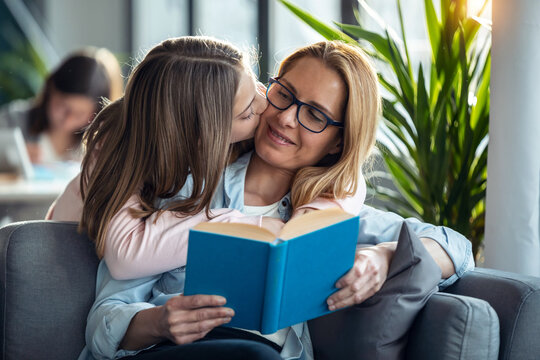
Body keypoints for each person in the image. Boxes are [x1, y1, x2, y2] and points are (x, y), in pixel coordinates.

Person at [64, 40, 473, 360]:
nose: (285, 117)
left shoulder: (330, 213)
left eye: (314, 115)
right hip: (168, 352)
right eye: (285, 94)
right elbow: (105, 317)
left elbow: (457, 246)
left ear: (337, 143)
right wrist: (158, 322)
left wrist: (384, 256)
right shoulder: (184, 187)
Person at [0, 47, 122, 164]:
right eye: (62, 106)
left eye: (80, 114)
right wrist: (10, 156)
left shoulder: (100, 144)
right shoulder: (13, 121)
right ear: (50, 91)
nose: (68, 119)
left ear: (96, 113)